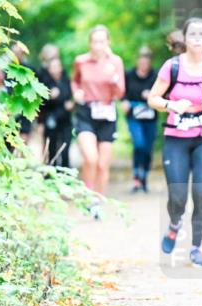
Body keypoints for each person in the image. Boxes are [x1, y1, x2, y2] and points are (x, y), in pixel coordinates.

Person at [148, 20, 202, 267]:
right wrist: (170, 105)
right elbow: (153, 98)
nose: (198, 38)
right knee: (178, 197)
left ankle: (196, 248)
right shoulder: (173, 66)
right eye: (193, 34)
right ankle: (174, 224)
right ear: (185, 37)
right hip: (176, 139)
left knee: (201, 195)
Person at [71, 25, 125, 218]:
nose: (98, 45)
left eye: (102, 41)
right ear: (90, 43)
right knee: (90, 158)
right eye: (95, 41)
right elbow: (75, 80)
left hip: (107, 113)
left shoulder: (115, 62)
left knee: (102, 164)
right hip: (86, 111)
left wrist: (113, 77)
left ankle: (98, 202)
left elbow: (120, 92)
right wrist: (76, 92)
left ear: (108, 42)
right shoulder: (81, 61)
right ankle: (88, 196)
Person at [124, 46, 159, 193]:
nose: (144, 64)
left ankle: (144, 177)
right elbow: (122, 91)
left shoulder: (155, 75)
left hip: (151, 116)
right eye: (141, 61)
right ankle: (136, 176)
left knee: (148, 147)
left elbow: (165, 92)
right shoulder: (129, 74)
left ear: (149, 62)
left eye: (146, 61)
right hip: (134, 115)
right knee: (139, 144)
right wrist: (124, 100)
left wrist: (152, 95)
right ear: (138, 61)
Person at [36, 43, 73, 168]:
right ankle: (48, 171)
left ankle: (65, 173)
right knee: (50, 146)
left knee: (65, 148)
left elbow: (69, 93)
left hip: (64, 117)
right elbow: (39, 101)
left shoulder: (64, 75)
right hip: (49, 117)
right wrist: (40, 121)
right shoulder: (41, 74)